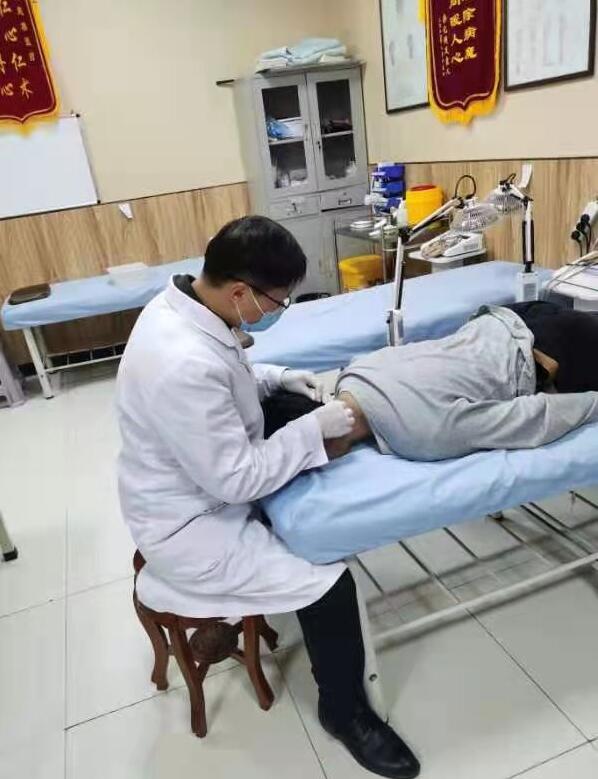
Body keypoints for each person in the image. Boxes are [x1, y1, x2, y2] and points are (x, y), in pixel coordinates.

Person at [116, 215, 420, 779]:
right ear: (240, 292)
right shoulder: (180, 362)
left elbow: (229, 378)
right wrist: (314, 430)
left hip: (193, 477)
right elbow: (235, 480)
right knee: (330, 585)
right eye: (278, 301)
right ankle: (344, 713)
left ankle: (337, 440)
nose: (280, 310)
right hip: (193, 526)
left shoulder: (185, 306)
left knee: (295, 409)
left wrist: (277, 378)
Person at [325, 303, 598, 462]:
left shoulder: (418, 432)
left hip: (548, 347)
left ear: (332, 446)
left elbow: (530, 417)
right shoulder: (355, 370)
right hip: (503, 316)